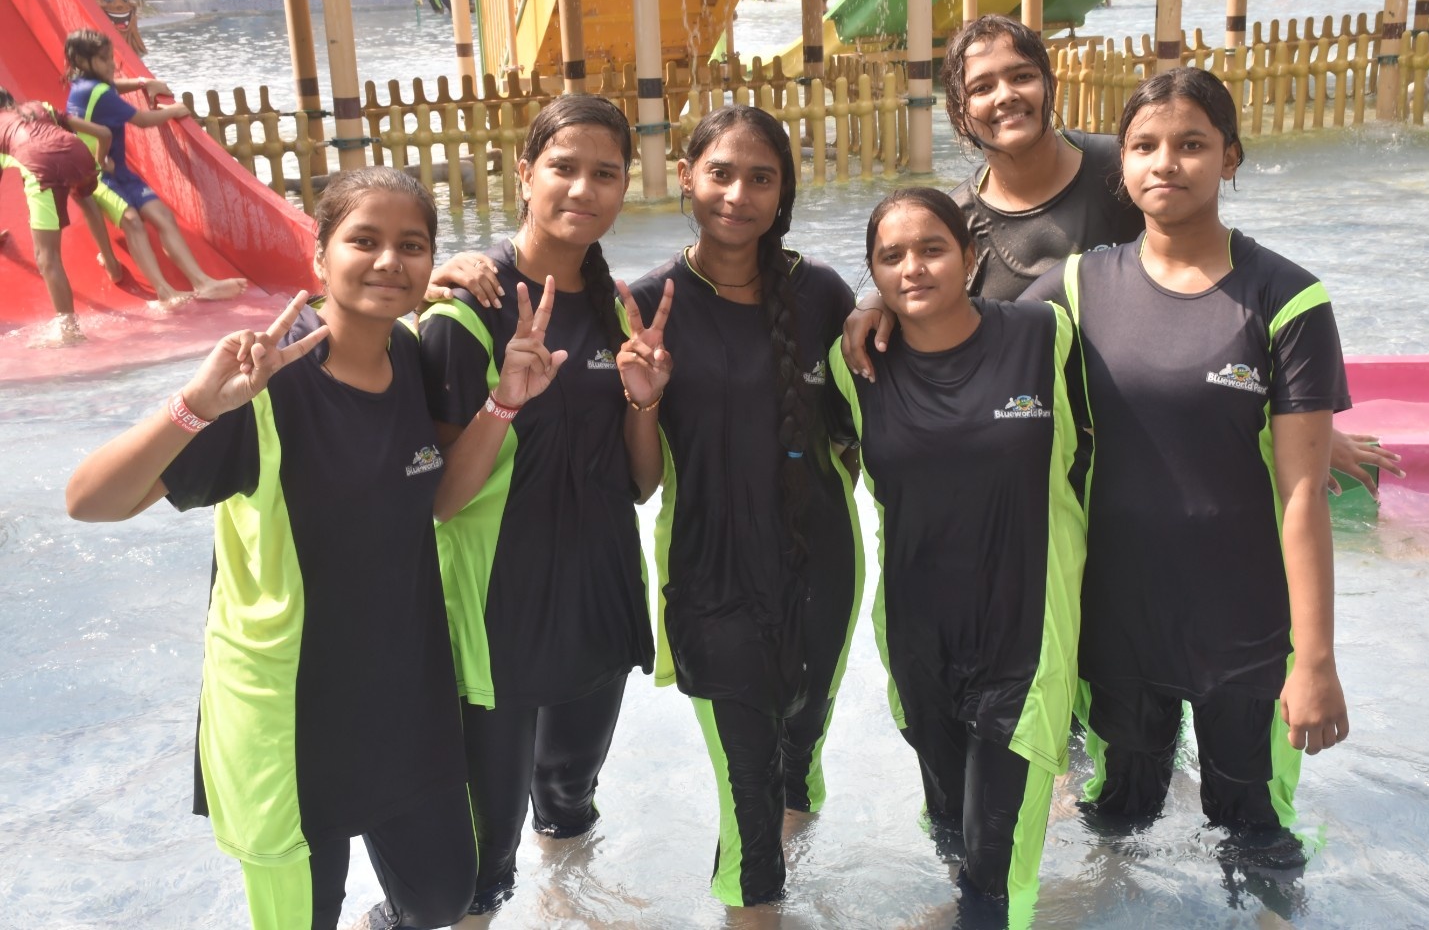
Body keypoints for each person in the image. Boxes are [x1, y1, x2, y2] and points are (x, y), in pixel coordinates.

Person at [63, 166, 533, 930]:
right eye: (364, 241)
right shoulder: (265, 386)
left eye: (411, 245)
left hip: (405, 704)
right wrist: (194, 406)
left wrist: (503, 403)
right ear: (319, 255)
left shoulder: (411, 357)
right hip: (290, 719)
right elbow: (89, 500)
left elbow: (435, 502)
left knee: (443, 895)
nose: (389, 261)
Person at [841, 14, 1402, 497]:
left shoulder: (1128, 166)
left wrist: (1299, 417)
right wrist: (875, 302)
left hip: (1159, 443)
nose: (1006, 95)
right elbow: (932, 313)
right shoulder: (954, 224)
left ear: (1049, 84)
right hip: (1044, 465)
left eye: (1021, 76)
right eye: (982, 87)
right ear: (960, 113)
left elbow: (1217, 282)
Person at [1021, 67, 1352, 870]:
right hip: (1117, 621)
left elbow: (1303, 494)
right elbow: (961, 340)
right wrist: (870, 309)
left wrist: (1315, 659)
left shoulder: (1287, 298)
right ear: (1123, 166)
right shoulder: (1077, 287)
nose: (1166, 162)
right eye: (1145, 146)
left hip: (1247, 625)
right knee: (1118, 827)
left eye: (1192, 145)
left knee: (1257, 837)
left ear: (1230, 158)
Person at [416, 94, 653, 921]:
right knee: (486, 846)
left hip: (597, 589)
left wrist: (646, 400)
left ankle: (568, 906)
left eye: (605, 173)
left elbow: (641, 483)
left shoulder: (619, 308)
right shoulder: (467, 311)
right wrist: (504, 400)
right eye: (563, 167)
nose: (583, 188)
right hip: (499, 606)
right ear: (524, 174)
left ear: (625, 187)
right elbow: (441, 499)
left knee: (570, 797)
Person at [619, 105, 861, 909]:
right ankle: (754, 905)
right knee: (746, 783)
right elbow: (640, 483)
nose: (738, 194)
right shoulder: (645, 303)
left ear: (783, 190)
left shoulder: (821, 292)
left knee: (801, 750)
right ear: (685, 175)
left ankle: (805, 852)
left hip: (821, 561)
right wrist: (644, 400)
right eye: (720, 173)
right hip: (710, 573)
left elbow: (868, 418)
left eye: (761, 178)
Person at [828, 187, 1087, 925]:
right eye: (891, 257)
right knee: (949, 830)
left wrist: (1303, 430)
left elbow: (1154, 399)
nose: (913, 267)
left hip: (1026, 640)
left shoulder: (1044, 335)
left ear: (971, 257)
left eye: (932, 249)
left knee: (994, 871)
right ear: (874, 274)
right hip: (918, 640)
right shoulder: (853, 366)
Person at [63, 28, 247, 305]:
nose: (111, 64)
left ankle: (203, 283)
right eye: (103, 59)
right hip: (95, 175)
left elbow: (112, 86)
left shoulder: (86, 83)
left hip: (118, 171)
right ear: (81, 61)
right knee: (133, 222)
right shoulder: (94, 91)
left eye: (111, 57)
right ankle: (164, 292)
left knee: (162, 216)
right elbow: (142, 120)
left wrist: (142, 82)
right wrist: (174, 110)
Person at [0, 85, 114, 344]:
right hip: (78, 153)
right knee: (83, 195)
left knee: (46, 257)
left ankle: (69, 331)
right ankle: (111, 263)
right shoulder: (41, 106)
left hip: (39, 167)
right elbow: (103, 133)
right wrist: (102, 161)